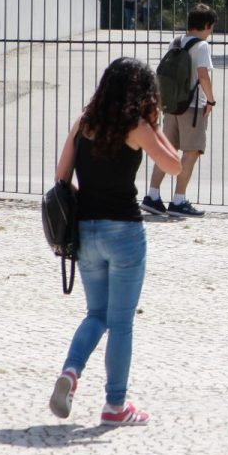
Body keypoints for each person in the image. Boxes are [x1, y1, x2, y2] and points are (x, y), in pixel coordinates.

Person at [47, 58, 185, 427]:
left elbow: (61, 177)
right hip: (124, 231)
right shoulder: (136, 127)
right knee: (121, 323)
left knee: (96, 315)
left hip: (87, 232)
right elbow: (174, 166)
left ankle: (71, 372)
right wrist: (155, 127)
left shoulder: (84, 122)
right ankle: (115, 406)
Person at [143, 4, 217, 218]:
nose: (210, 32)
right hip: (193, 107)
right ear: (206, 25)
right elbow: (203, 75)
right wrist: (210, 101)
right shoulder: (202, 46)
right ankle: (179, 200)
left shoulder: (175, 42)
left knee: (167, 151)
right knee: (191, 152)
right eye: (211, 27)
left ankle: (152, 197)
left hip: (172, 105)